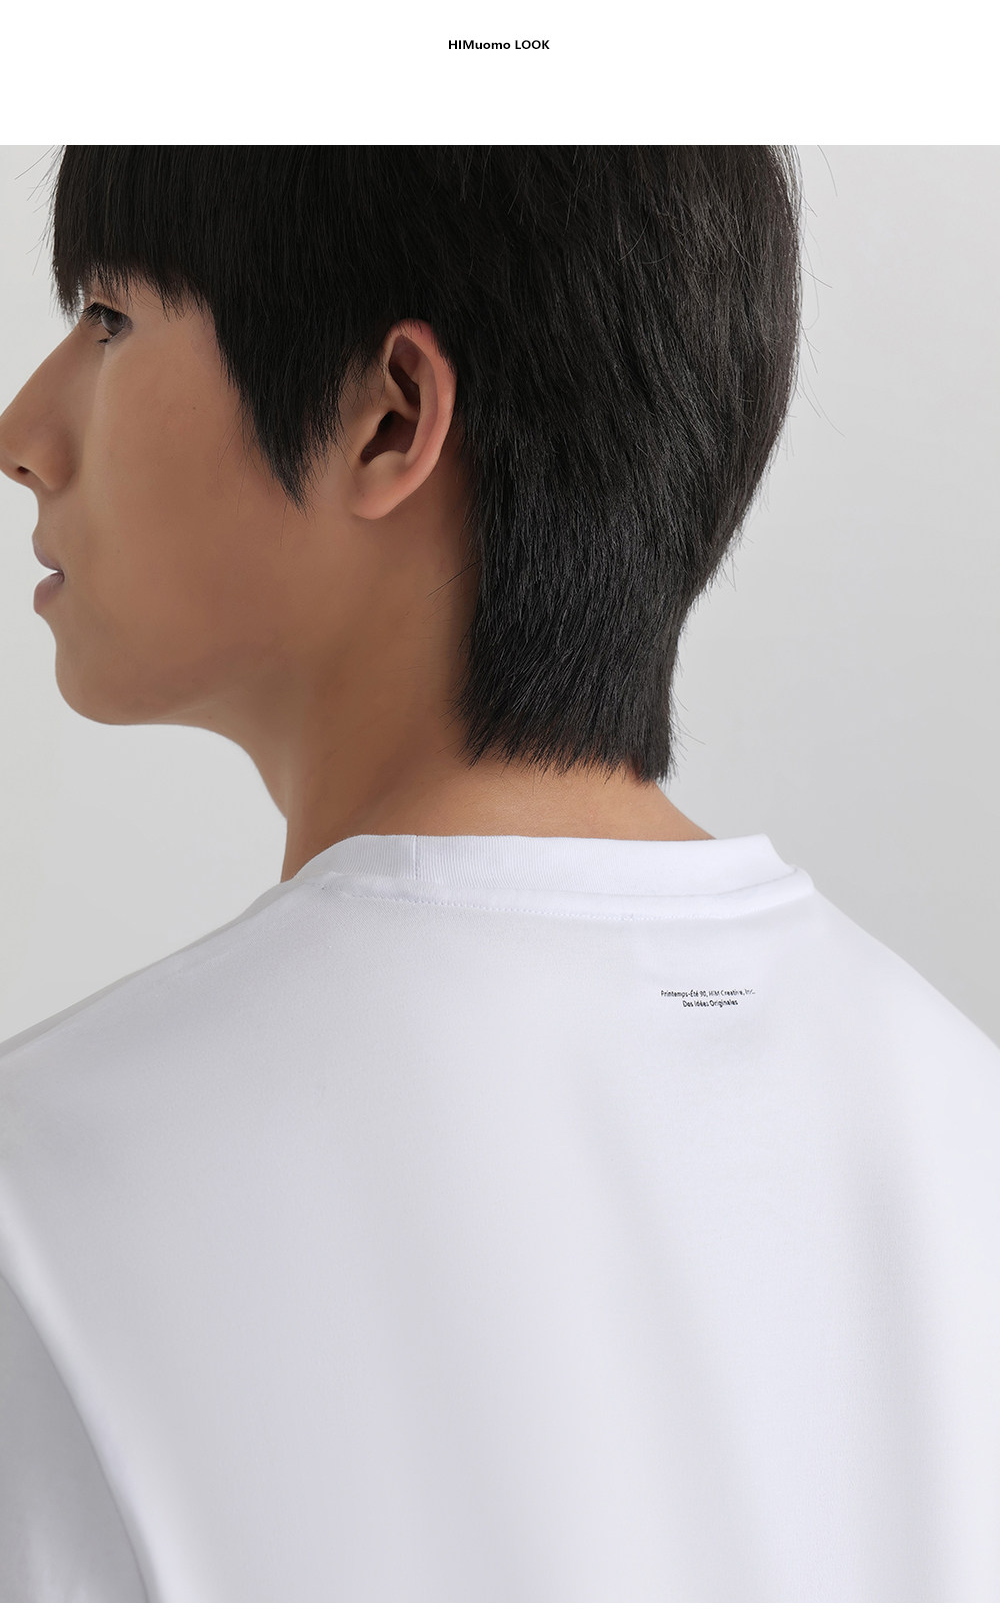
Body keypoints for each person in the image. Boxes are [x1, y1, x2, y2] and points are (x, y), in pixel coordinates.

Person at [0, 145, 996, 1601]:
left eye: (109, 319)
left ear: (390, 417)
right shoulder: (964, 1114)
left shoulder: (48, 1198)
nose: (24, 431)